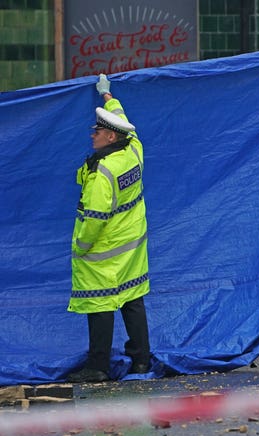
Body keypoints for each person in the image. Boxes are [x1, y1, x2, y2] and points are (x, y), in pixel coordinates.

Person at [67, 74, 151, 383]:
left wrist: (81, 246)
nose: (93, 135)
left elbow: (95, 218)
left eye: (97, 131)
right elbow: (122, 118)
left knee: (99, 303)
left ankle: (98, 367)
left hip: (103, 250)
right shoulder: (134, 150)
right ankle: (141, 361)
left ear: (110, 138)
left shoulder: (103, 173)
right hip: (132, 243)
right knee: (132, 299)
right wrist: (107, 96)